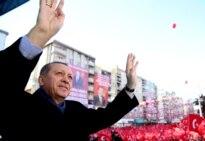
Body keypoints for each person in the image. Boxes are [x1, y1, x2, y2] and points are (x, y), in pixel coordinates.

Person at [0, 0, 139, 141]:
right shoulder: (18, 106)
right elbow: (5, 81)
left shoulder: (76, 111)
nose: (66, 79)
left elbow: (107, 116)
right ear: (41, 80)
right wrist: (40, 35)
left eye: (70, 77)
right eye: (59, 73)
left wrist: (130, 87)